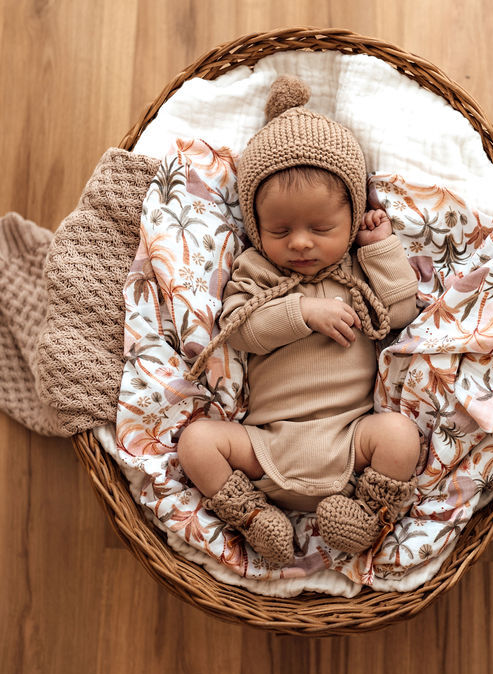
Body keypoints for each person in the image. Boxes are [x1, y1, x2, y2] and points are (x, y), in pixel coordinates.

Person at [178, 75, 421, 567]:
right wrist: (303, 313)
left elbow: (399, 313)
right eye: (281, 230)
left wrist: (383, 252)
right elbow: (241, 328)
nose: (301, 243)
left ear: (352, 217)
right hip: (266, 444)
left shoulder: (356, 270)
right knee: (196, 441)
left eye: (322, 228)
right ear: (254, 227)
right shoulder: (257, 270)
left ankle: (366, 515)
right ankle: (250, 516)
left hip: (352, 441)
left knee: (400, 435)